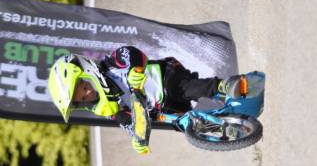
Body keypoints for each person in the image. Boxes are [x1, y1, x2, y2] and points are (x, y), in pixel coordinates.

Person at [47, 46, 243, 154]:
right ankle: (227, 130)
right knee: (188, 125)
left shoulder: (110, 65)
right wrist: (137, 138)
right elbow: (130, 122)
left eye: (84, 87)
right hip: (163, 108)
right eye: (83, 98)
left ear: (85, 70)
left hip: (166, 77)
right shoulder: (111, 110)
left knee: (185, 88)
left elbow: (132, 52)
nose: (89, 93)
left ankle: (224, 86)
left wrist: (135, 70)